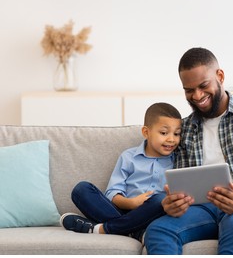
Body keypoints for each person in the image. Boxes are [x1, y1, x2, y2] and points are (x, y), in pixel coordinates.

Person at [144, 47, 233, 255]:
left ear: (220, 76)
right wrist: (174, 203)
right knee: (158, 231)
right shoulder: (184, 129)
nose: (197, 96)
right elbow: (182, 180)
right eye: (189, 90)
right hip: (203, 209)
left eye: (203, 86)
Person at [60, 102, 182, 240]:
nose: (172, 139)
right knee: (81, 189)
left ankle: (102, 229)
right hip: (121, 209)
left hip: (152, 215)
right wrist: (132, 203)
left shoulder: (178, 160)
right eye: (164, 133)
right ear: (146, 132)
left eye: (177, 133)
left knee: (160, 200)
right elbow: (112, 193)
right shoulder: (129, 157)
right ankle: (134, 232)